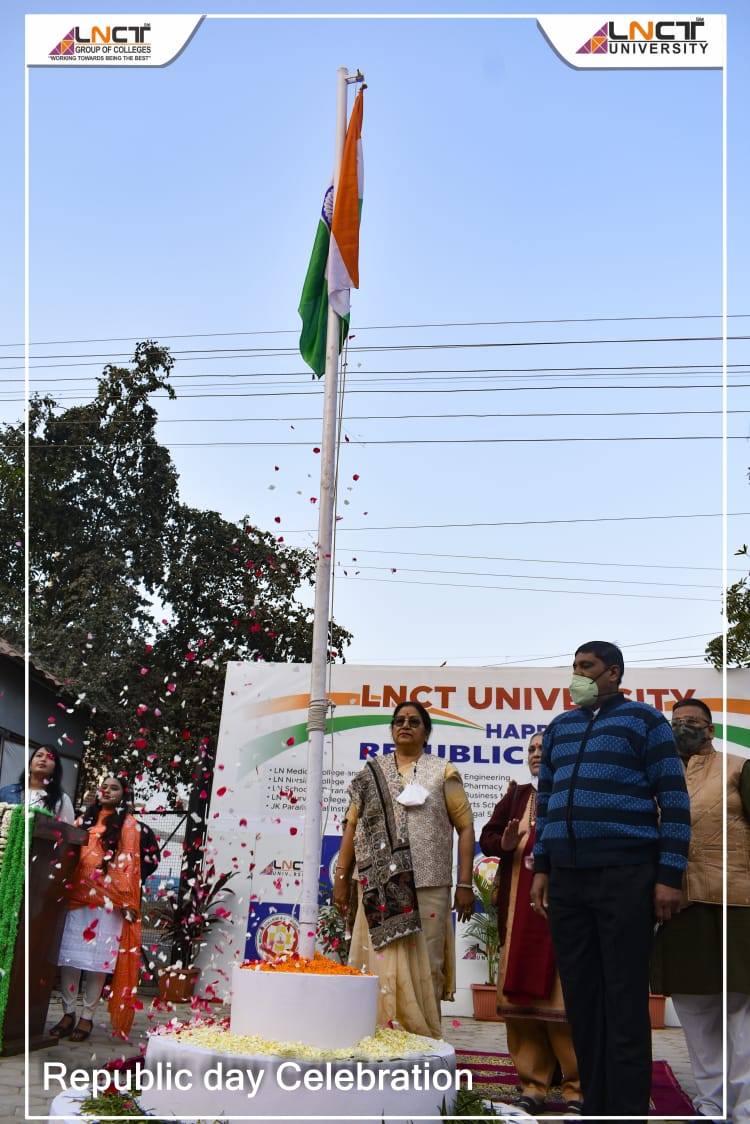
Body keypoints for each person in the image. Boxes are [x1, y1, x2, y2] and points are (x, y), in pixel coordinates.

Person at [530, 640, 691, 1116]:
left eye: (587, 667)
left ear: (613, 673)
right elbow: (547, 801)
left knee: (623, 997)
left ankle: (626, 1108)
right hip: (568, 880)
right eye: (574, 667)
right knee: (581, 998)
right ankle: (593, 1104)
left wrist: (669, 875)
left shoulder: (644, 722)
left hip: (626, 874)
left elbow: (674, 801)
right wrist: (543, 867)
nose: (577, 675)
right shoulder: (560, 727)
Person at [334, 701, 475, 1037]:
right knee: (375, 962)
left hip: (428, 882)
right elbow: (351, 827)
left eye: (414, 721)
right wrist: (341, 878)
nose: (405, 725)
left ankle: (421, 1042)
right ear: (392, 729)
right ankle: (370, 1036)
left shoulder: (443, 772)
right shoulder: (370, 774)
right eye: (399, 720)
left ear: (426, 731)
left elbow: (466, 827)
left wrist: (465, 883)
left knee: (426, 966)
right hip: (375, 884)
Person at [651, 697, 750, 1121]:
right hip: (680, 906)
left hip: (737, 904)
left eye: (693, 721)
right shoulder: (655, 776)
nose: (683, 727)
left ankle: (745, 1108)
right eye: (676, 722)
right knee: (695, 1013)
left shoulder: (738, 767)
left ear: (710, 730)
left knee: (742, 1015)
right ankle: (711, 1104)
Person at [480, 733, 582, 1113]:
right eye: (532, 750)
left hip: (564, 915)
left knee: (564, 1004)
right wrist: (504, 843)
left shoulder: (574, 792)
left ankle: (576, 1088)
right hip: (517, 915)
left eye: (544, 749)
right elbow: (489, 838)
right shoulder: (518, 795)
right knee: (520, 998)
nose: (537, 754)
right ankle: (533, 1086)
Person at [51, 774, 142, 1041]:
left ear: (123, 794)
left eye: (114, 788)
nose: (107, 790)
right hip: (77, 899)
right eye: (104, 786)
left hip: (108, 904)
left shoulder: (129, 824)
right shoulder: (83, 820)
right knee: (69, 959)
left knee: (97, 963)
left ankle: (87, 1016)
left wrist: (124, 900)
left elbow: (129, 866)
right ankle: (68, 1012)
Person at [0, 746, 75, 823]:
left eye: (50, 757)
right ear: (30, 765)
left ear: (55, 769)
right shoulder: (6, 792)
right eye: (39, 755)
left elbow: (66, 832)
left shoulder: (62, 799)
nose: (43, 759)